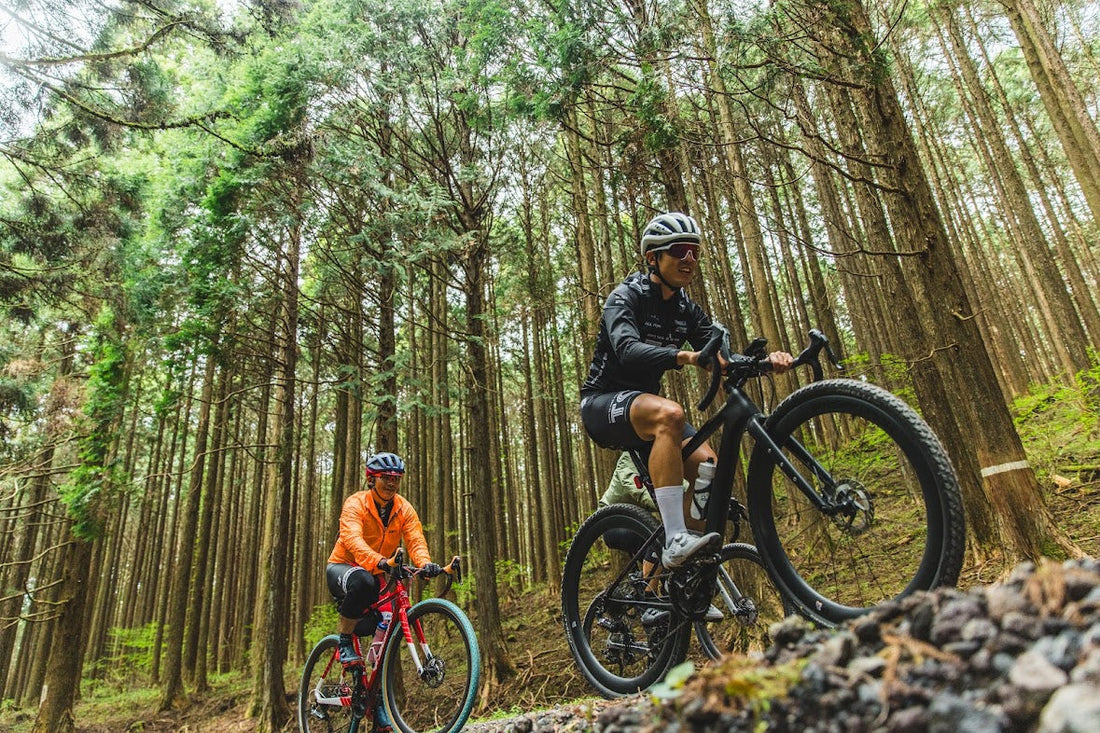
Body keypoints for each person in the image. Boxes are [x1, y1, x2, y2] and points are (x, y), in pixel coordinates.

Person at [580, 211, 793, 570]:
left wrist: (765, 363)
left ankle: (673, 584)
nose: (689, 259)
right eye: (679, 250)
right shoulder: (625, 297)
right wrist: (684, 356)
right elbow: (626, 349)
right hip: (602, 405)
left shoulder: (686, 309)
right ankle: (677, 537)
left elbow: (720, 358)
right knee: (671, 413)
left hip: (647, 416)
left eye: (695, 251)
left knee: (707, 467)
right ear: (653, 258)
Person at [326, 451, 442, 731]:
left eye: (397, 479)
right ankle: (343, 642)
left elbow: (415, 539)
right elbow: (352, 539)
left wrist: (424, 564)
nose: (392, 483)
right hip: (344, 568)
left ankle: (373, 700)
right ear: (372, 478)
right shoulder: (356, 503)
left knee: (388, 627)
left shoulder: (404, 508)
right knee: (364, 581)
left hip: (380, 571)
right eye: (386, 478)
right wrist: (379, 561)